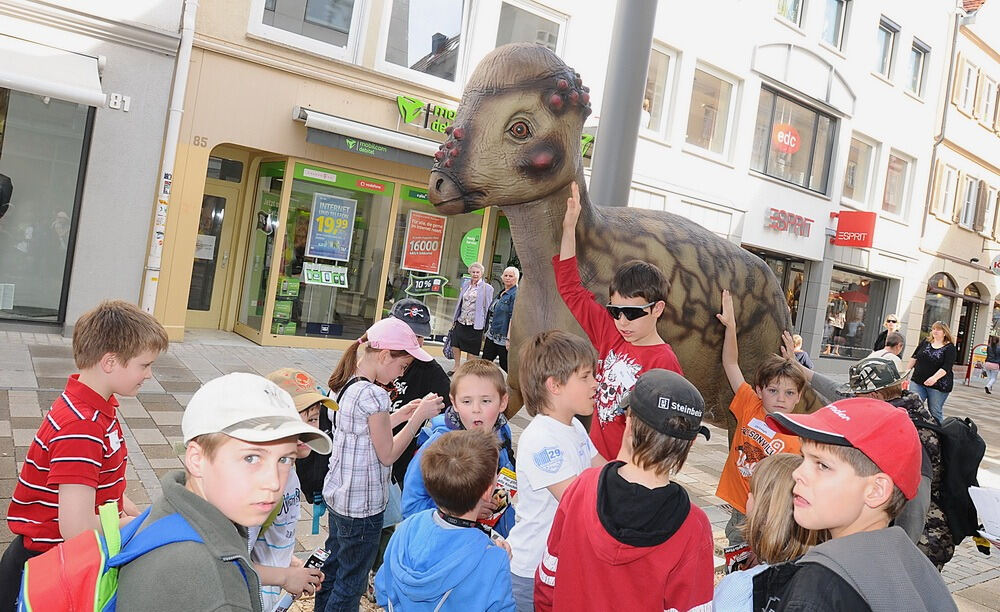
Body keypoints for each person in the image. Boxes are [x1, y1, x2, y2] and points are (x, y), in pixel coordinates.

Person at [0, 300, 167, 610]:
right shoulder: (82, 427)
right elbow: (75, 527)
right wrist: (137, 526)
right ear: (110, 362)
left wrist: (136, 514)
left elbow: (106, 492)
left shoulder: (93, 409)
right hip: (46, 569)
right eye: (144, 365)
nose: (149, 374)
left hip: (59, 559)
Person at [116, 373, 333, 611]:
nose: (273, 482)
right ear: (197, 460)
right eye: (251, 457)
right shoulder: (220, 593)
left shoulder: (173, 511)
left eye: (285, 459)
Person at [534, 370, 714, 612]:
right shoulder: (694, 527)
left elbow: (548, 578)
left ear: (628, 424)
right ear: (690, 444)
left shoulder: (582, 487)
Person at [754, 398, 955, 612]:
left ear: (876, 490)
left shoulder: (819, 586)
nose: (797, 473)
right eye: (803, 457)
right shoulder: (916, 567)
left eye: (822, 465)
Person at [780, 334, 950, 567]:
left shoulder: (911, 436)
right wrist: (798, 366)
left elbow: (914, 509)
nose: (852, 399)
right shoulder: (888, 404)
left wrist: (895, 560)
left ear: (874, 396)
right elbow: (838, 392)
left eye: (857, 395)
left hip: (919, 541)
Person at [316, 317, 444, 612]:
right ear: (385, 355)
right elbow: (387, 454)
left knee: (334, 568)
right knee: (352, 582)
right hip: (363, 507)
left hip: (339, 496)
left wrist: (403, 414)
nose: (401, 373)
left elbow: (363, 428)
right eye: (401, 367)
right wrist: (417, 417)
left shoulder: (346, 382)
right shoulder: (374, 394)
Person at [555, 181, 683, 460]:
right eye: (615, 310)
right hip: (594, 459)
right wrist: (569, 229)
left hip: (628, 472)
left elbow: (667, 438)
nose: (622, 321)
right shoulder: (610, 332)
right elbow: (570, 289)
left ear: (658, 308)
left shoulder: (665, 364)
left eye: (634, 312)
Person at [506, 330, 606, 612]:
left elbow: (605, 473)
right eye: (585, 377)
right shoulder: (541, 438)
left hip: (559, 566)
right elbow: (578, 501)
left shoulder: (574, 427)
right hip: (531, 571)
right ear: (555, 385)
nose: (595, 384)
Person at [376, 429, 515, 611]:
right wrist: (496, 556)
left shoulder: (409, 525)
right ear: (488, 492)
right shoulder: (492, 558)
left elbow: (383, 588)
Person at [716, 289, 805, 545]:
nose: (780, 398)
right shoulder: (749, 404)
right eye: (773, 390)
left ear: (798, 396)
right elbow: (731, 364)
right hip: (740, 510)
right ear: (759, 390)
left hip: (771, 515)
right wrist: (731, 326)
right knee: (738, 554)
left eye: (789, 393)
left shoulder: (799, 436)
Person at [250, 368, 338, 610]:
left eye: (312, 419)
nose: (306, 429)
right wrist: (286, 577)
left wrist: (290, 563)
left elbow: (267, 541)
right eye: (294, 418)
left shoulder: (290, 472)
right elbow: (231, 563)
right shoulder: (266, 485)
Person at [402, 359, 516, 537]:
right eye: (467, 401)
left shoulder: (503, 432)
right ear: (454, 403)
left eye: (486, 401)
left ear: (503, 402)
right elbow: (411, 504)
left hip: (492, 540)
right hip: (448, 545)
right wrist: (465, 512)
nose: (476, 409)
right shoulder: (439, 445)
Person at [713, 454, 825, 612]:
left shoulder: (741, 588)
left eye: (752, 491)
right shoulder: (827, 579)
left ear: (764, 514)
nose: (749, 496)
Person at [906, 321, 957, 423]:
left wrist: (934, 378)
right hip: (918, 381)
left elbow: (946, 367)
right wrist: (906, 372)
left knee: (935, 411)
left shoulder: (950, 348)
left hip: (938, 385)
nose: (935, 331)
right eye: (933, 329)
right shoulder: (926, 342)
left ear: (945, 332)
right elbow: (915, 356)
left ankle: (940, 434)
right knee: (912, 407)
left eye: (938, 329)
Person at [450, 262, 494, 373]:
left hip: (475, 322)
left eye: (477, 272)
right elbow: (460, 302)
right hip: (461, 319)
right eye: (473, 272)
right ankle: (456, 366)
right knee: (455, 343)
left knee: (471, 347)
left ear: (482, 273)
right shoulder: (465, 285)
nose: (475, 274)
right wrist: (455, 318)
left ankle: (467, 370)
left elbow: (488, 307)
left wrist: (485, 324)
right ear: (470, 273)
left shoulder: (487, 288)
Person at [482, 266, 520, 371]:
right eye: (506, 275)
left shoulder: (515, 294)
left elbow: (513, 317)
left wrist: (508, 338)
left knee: (506, 365)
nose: (507, 278)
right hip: (492, 333)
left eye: (511, 276)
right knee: (485, 362)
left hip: (503, 336)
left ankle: (518, 386)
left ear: (516, 278)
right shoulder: (502, 292)